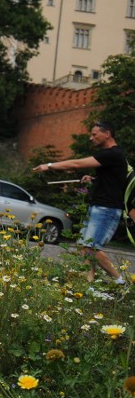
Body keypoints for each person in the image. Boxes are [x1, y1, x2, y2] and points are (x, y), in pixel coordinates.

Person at [33, 121, 128, 284]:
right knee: (85, 249)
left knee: (91, 249)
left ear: (108, 134)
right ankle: (87, 285)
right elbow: (113, 180)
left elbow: (76, 163)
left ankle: (121, 282)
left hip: (107, 209)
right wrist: (94, 180)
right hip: (98, 207)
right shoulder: (110, 157)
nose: (91, 138)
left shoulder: (112, 154)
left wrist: (49, 166)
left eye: (94, 134)